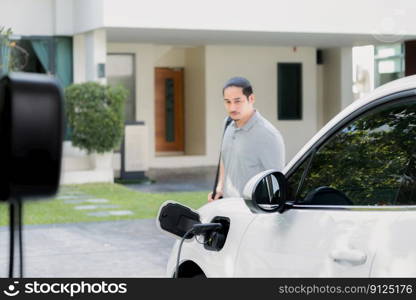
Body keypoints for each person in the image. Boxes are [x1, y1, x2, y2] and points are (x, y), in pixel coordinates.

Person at [208, 77, 285, 201]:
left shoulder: (268, 134)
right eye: (228, 102)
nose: (232, 108)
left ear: (251, 99)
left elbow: (277, 183)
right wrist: (220, 187)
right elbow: (225, 156)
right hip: (227, 206)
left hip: (252, 212)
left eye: (238, 101)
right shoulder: (227, 124)